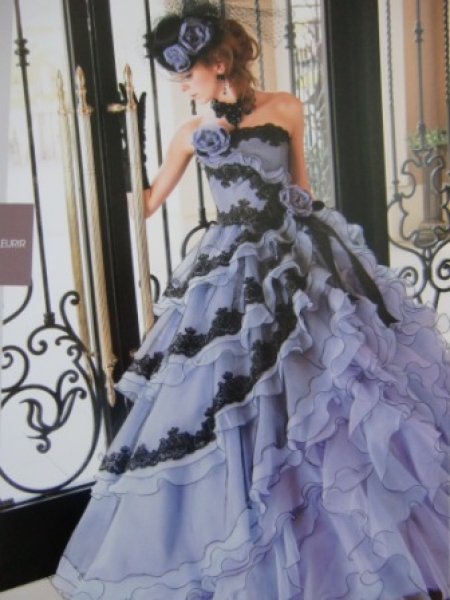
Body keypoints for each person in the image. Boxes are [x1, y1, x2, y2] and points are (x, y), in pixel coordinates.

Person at [53, 2, 450, 599]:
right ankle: (263, 513)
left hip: (296, 254)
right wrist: (100, 167)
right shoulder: (191, 132)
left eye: (186, 73)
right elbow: (148, 201)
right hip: (231, 268)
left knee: (328, 378)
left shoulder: (286, 107)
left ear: (219, 62)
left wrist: (324, 255)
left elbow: (303, 190)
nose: (182, 85)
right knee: (241, 388)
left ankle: (352, 529)